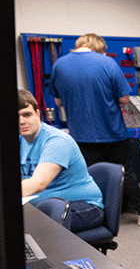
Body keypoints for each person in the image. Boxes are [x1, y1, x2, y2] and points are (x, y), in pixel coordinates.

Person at [50, 33, 140, 225]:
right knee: (126, 172)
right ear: (99, 47)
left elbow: (58, 101)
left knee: (89, 176)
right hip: (112, 132)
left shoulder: (59, 65)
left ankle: (98, 216)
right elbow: (124, 99)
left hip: (81, 136)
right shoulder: (107, 63)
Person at [18, 89, 104, 232]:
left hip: (84, 207)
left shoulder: (56, 141)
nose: (22, 121)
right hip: (46, 204)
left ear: (38, 114)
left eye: (27, 114)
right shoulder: (21, 140)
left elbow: (38, 183)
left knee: (33, 228)